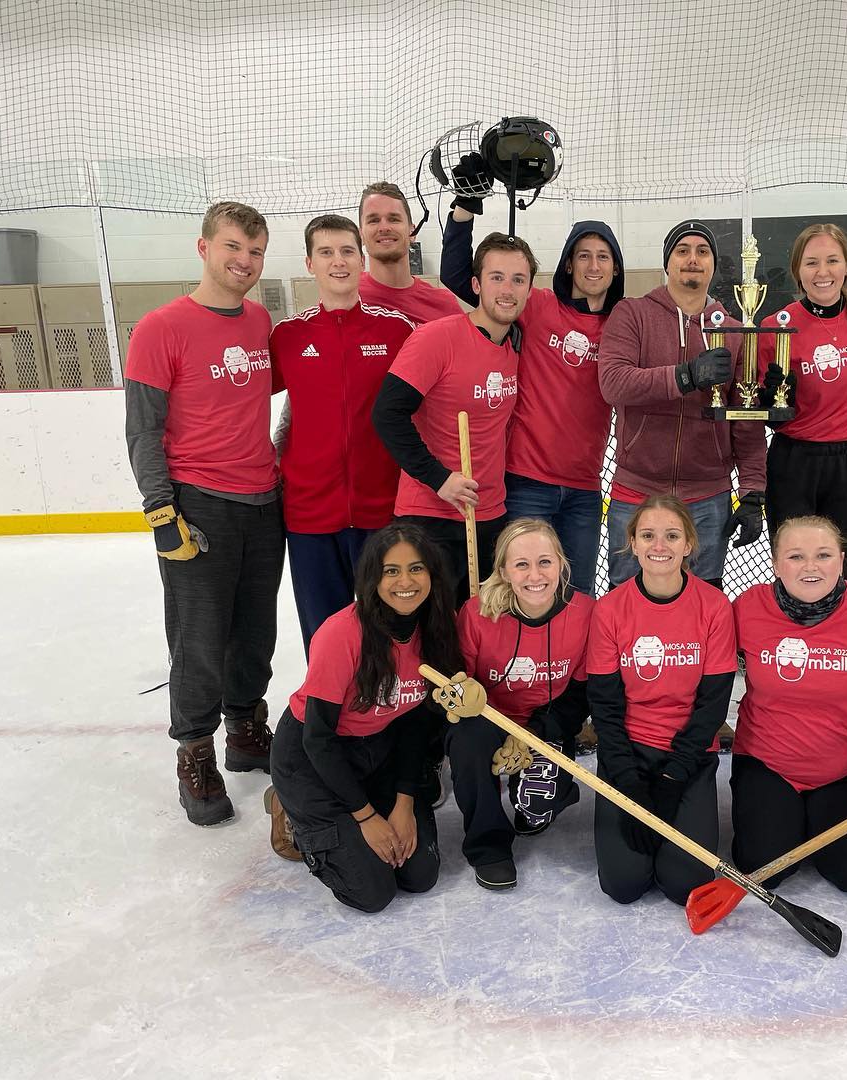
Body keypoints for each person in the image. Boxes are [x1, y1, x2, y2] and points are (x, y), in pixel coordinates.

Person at [123, 200, 283, 827]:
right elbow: (143, 431)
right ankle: (195, 749)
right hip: (199, 507)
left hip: (264, 503)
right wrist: (162, 511)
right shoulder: (162, 328)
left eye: (255, 252)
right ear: (204, 248)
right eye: (233, 248)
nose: (244, 262)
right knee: (199, 640)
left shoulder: (259, 321)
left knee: (255, 633)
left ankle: (246, 729)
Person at [440, 166, 626, 594]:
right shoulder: (536, 306)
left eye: (603, 256)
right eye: (583, 254)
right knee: (522, 592)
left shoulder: (623, 323)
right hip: (526, 482)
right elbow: (458, 277)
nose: (593, 264)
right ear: (567, 264)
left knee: (578, 596)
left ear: (616, 268)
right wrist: (465, 208)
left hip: (584, 486)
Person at [266, 523, 460, 912]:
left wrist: (404, 803)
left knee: (419, 875)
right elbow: (318, 738)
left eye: (417, 568)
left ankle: (355, 812)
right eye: (391, 570)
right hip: (314, 756)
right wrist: (366, 815)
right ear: (373, 577)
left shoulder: (437, 628)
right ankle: (288, 805)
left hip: (380, 746)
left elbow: (415, 722)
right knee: (371, 893)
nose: (405, 581)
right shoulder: (341, 634)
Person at [730, 516, 847, 891]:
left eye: (823, 555)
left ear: (842, 560)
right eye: (796, 556)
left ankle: (810, 819)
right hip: (767, 762)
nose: (810, 567)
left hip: (845, 766)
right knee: (764, 870)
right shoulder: (748, 608)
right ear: (776, 564)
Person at [270, 214, 415, 651]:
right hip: (310, 516)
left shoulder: (396, 331)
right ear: (309, 263)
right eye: (326, 252)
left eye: (347, 251)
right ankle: (331, 717)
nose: (338, 262)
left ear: (362, 258)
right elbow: (236, 401)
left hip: (383, 513)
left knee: (392, 633)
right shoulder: (287, 337)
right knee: (326, 637)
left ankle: (391, 716)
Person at [598, 222, 768, 590]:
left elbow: (746, 419)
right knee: (626, 597)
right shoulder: (633, 314)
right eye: (682, 251)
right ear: (667, 261)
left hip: (708, 494)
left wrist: (753, 491)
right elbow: (614, 383)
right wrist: (685, 377)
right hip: (637, 490)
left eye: (702, 252)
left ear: (712, 264)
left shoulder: (735, 330)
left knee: (702, 601)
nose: (692, 259)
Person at [587, 495, 737, 904]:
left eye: (672, 535)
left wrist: (674, 778)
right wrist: (629, 781)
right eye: (648, 535)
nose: (660, 545)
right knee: (623, 884)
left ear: (688, 544)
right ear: (631, 543)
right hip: (629, 755)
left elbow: (713, 703)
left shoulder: (714, 606)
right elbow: (604, 705)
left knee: (684, 885)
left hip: (688, 757)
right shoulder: (610, 609)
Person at [372, 232, 536, 601]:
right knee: (436, 634)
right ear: (476, 284)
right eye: (496, 277)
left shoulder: (513, 344)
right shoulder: (437, 338)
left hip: (489, 513)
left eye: (518, 279)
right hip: (431, 515)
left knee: (479, 629)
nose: (507, 290)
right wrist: (439, 478)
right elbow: (387, 414)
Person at [450, 519, 594, 889]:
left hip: (543, 720)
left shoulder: (584, 613)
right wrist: (488, 721)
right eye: (522, 564)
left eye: (545, 562)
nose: (535, 575)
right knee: (469, 741)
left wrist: (535, 734)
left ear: (561, 564)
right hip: (487, 720)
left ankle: (544, 793)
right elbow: (458, 689)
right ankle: (488, 845)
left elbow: (579, 695)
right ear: (503, 570)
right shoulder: (477, 613)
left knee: (535, 807)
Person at [757, 224, 847, 584]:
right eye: (811, 262)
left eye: (831, 260)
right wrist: (775, 406)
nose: (822, 272)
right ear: (797, 270)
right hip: (795, 463)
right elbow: (768, 411)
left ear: (846, 267)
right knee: (795, 569)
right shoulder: (776, 326)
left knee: (844, 571)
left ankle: (840, 640)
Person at [356, 180, 464, 327]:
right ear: (361, 235)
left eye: (394, 219)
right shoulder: (347, 297)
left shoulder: (444, 306)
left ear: (412, 232)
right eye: (373, 220)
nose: (384, 227)